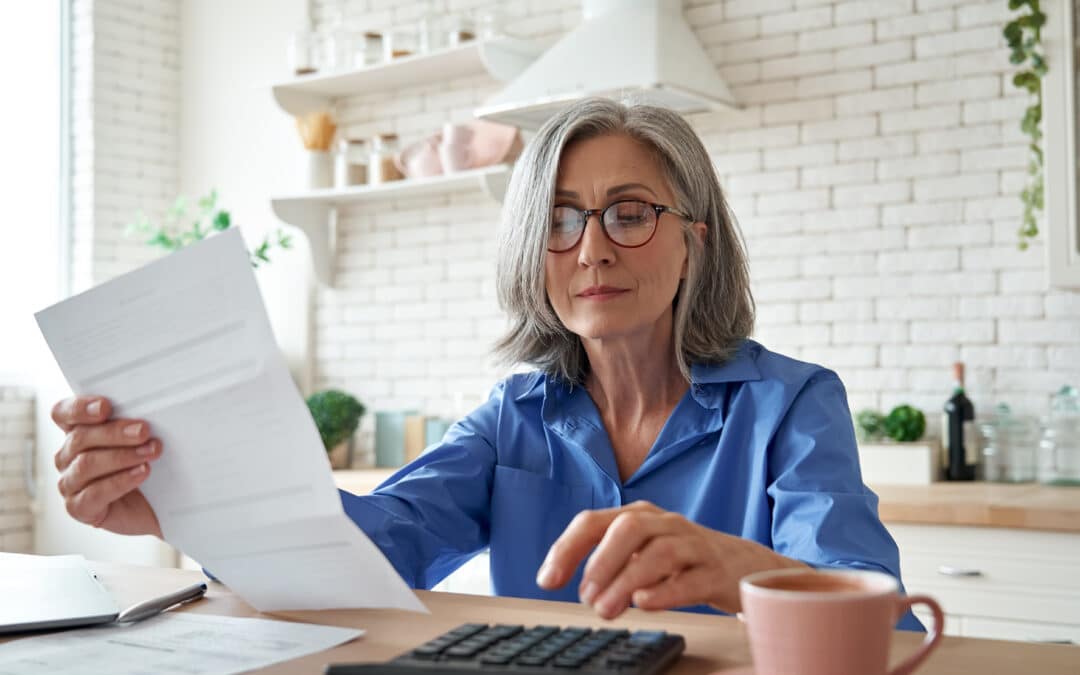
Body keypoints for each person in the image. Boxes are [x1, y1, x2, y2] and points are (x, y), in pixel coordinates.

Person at [51, 97, 922, 630]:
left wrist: (737, 569)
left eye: (628, 213)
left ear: (693, 242)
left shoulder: (792, 404)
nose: (590, 249)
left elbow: (877, 612)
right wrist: (181, 502)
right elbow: (372, 549)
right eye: (559, 219)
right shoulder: (515, 416)